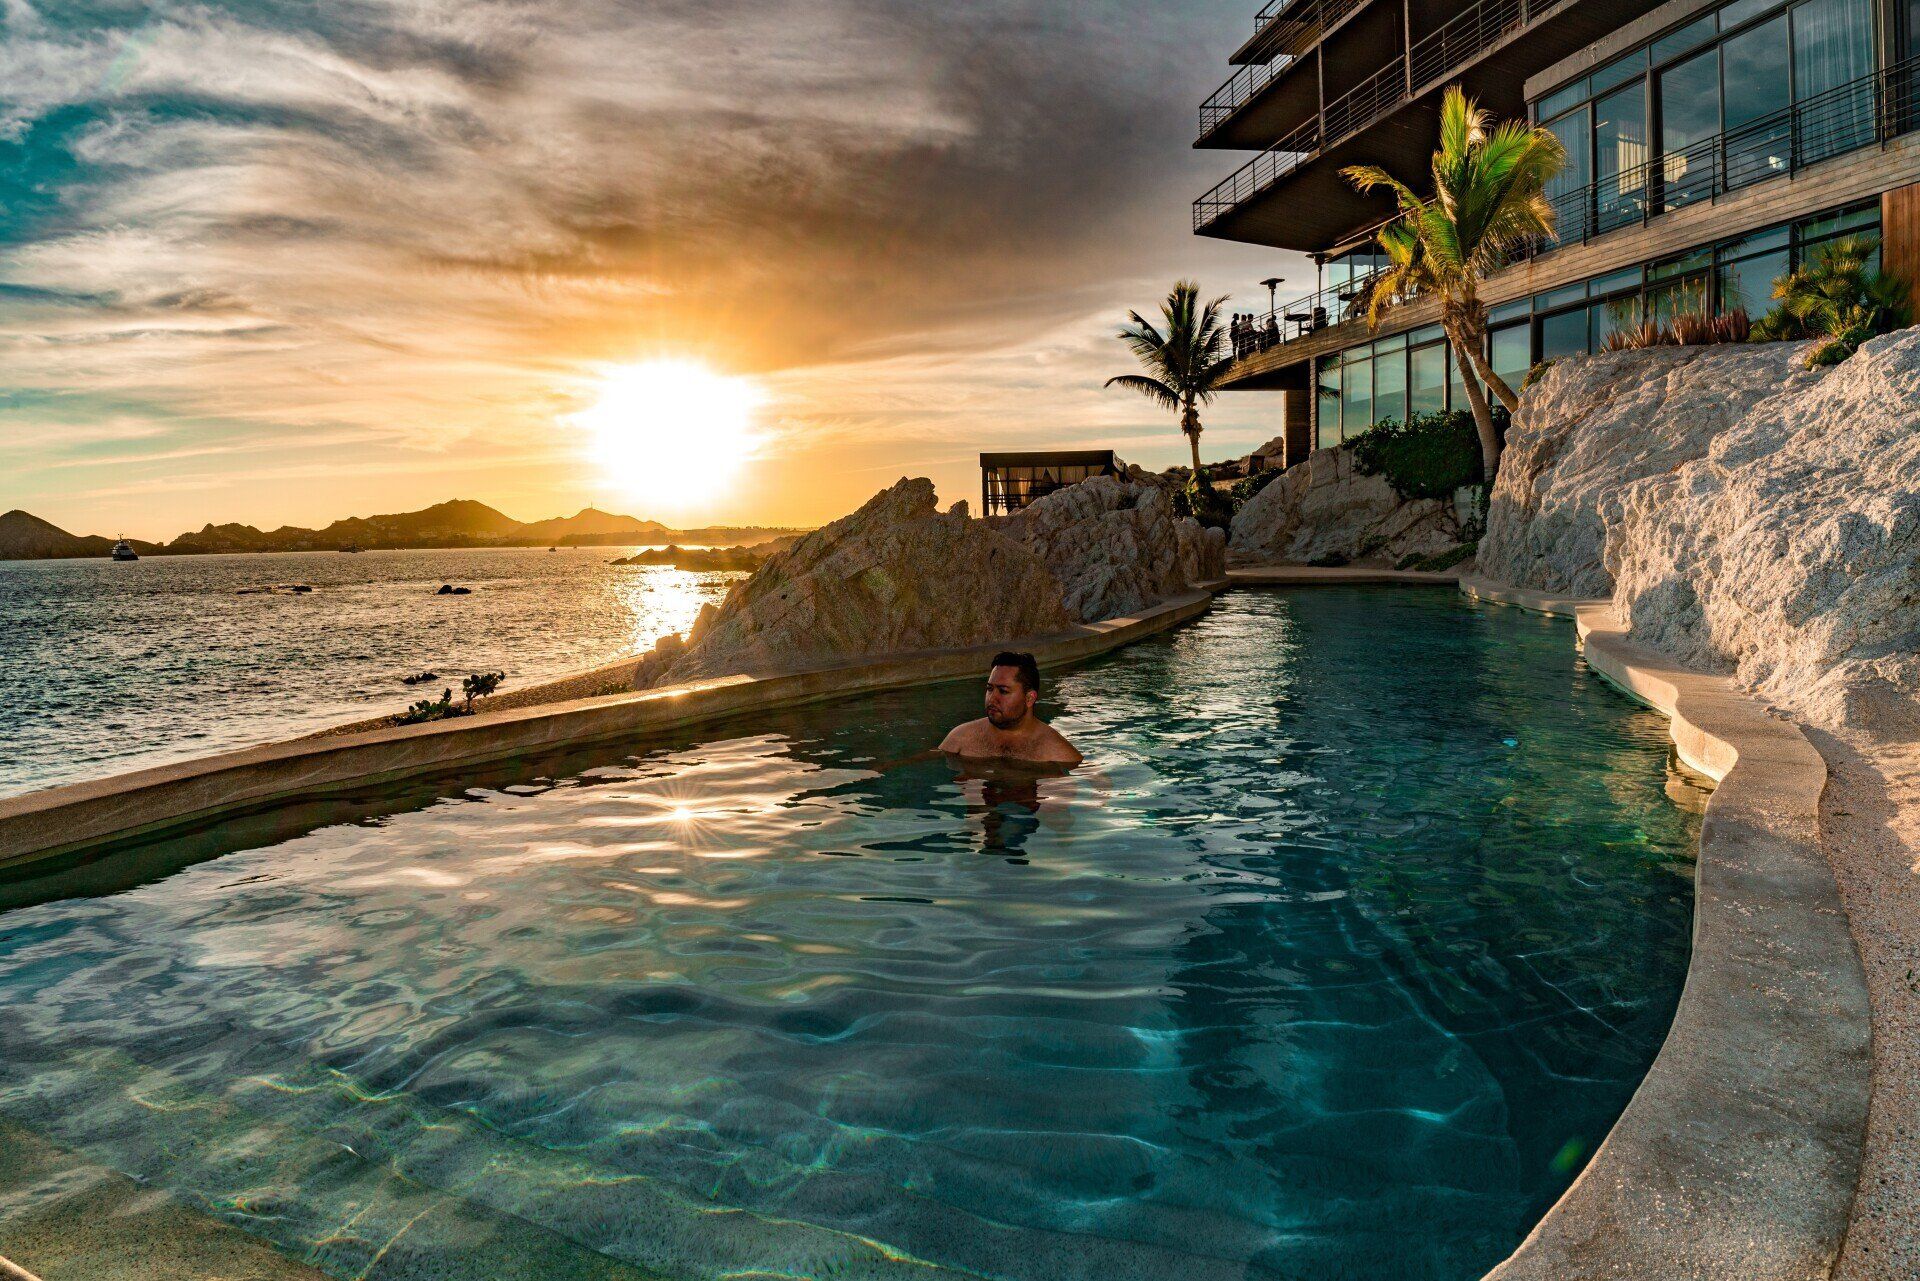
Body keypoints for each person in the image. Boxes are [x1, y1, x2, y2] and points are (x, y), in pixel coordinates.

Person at [940, 651, 1082, 766]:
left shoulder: (1059, 754)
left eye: (1003, 691)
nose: (992, 698)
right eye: (990, 689)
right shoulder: (960, 737)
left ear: (1029, 698)